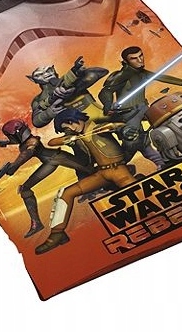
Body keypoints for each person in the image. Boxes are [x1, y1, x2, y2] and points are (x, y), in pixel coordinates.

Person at [35, 109, 136, 254]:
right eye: (66, 128)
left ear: (76, 118)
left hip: (119, 171)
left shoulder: (97, 127)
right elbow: (52, 142)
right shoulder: (78, 135)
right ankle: (57, 234)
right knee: (66, 193)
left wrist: (113, 127)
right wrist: (67, 139)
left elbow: (119, 126)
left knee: (135, 192)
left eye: (70, 124)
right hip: (102, 173)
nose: (70, 128)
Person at [98, 46, 182, 168]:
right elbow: (105, 92)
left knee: (167, 123)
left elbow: (160, 77)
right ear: (126, 61)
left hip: (144, 108)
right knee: (133, 142)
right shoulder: (121, 75)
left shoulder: (142, 73)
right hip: (129, 113)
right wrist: (108, 105)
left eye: (140, 56)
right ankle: (119, 166)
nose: (140, 60)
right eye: (134, 58)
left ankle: (167, 159)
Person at [0, 119, 94, 238]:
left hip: (58, 157)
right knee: (25, 189)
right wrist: (4, 145)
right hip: (49, 162)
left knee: (90, 170)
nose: (10, 139)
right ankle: (36, 224)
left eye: (10, 136)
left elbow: (26, 153)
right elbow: (20, 145)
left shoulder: (31, 142)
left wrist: (13, 166)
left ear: (17, 134)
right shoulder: (27, 141)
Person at [28, 56, 107, 128]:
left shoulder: (72, 80)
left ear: (53, 70)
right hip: (75, 127)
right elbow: (36, 122)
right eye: (39, 75)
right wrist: (49, 113)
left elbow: (100, 72)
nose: (46, 74)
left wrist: (76, 87)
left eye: (48, 70)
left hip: (98, 115)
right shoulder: (39, 99)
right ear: (33, 79)